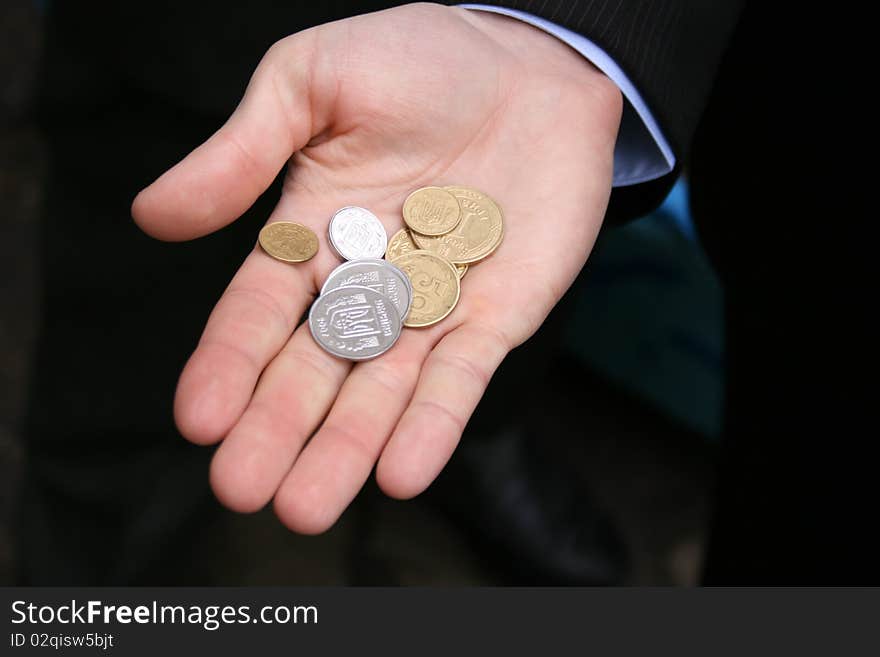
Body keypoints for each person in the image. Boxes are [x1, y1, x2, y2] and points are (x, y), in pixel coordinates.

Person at [22, 1, 875, 584]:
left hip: (535, 118)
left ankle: (482, 440)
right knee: (138, 359)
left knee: (491, 324)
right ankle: (89, 588)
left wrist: (567, 31)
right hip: (206, 42)